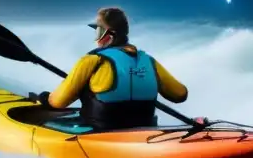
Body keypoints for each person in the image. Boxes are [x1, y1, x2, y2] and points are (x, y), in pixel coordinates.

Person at [32, 7, 190, 130]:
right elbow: (180, 94)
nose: (96, 37)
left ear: (110, 36)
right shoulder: (149, 61)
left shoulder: (92, 60)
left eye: (99, 31)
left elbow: (58, 102)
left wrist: (45, 98)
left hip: (100, 132)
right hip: (143, 131)